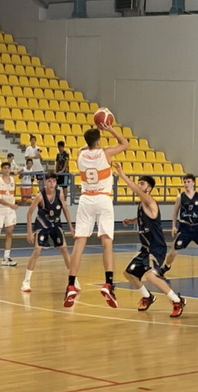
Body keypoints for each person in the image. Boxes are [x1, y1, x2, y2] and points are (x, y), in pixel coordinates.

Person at [62, 125, 128, 308]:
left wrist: (91, 142)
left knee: (79, 243)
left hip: (85, 200)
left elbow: (85, 147)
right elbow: (125, 143)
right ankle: (108, 284)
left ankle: (71, 285)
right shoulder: (106, 153)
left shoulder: (80, 154)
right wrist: (110, 129)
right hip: (103, 199)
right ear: (99, 140)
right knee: (106, 242)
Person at [115, 164, 187, 317]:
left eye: (142, 183)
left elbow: (136, 190)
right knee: (129, 273)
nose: (139, 185)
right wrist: (132, 220)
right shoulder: (142, 205)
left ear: (149, 188)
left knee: (150, 276)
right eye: (139, 183)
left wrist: (122, 174)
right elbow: (145, 218)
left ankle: (176, 300)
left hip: (156, 247)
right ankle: (147, 296)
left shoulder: (151, 202)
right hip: (145, 248)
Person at [22, 172, 76, 292]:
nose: (52, 184)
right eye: (49, 181)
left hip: (55, 224)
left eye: (54, 181)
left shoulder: (59, 193)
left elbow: (65, 209)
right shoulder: (40, 196)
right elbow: (29, 213)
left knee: (64, 249)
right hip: (43, 224)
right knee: (37, 251)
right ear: (46, 182)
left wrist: (70, 226)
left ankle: (73, 280)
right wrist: (29, 232)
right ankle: (26, 281)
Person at [0, 162, 18, 266]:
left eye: (8, 168)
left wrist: (12, 204)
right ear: (2, 169)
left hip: (10, 210)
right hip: (0, 209)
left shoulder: (13, 180)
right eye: (5, 168)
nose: (7, 170)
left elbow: (12, 194)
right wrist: (10, 204)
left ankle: (6, 257)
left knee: (9, 233)